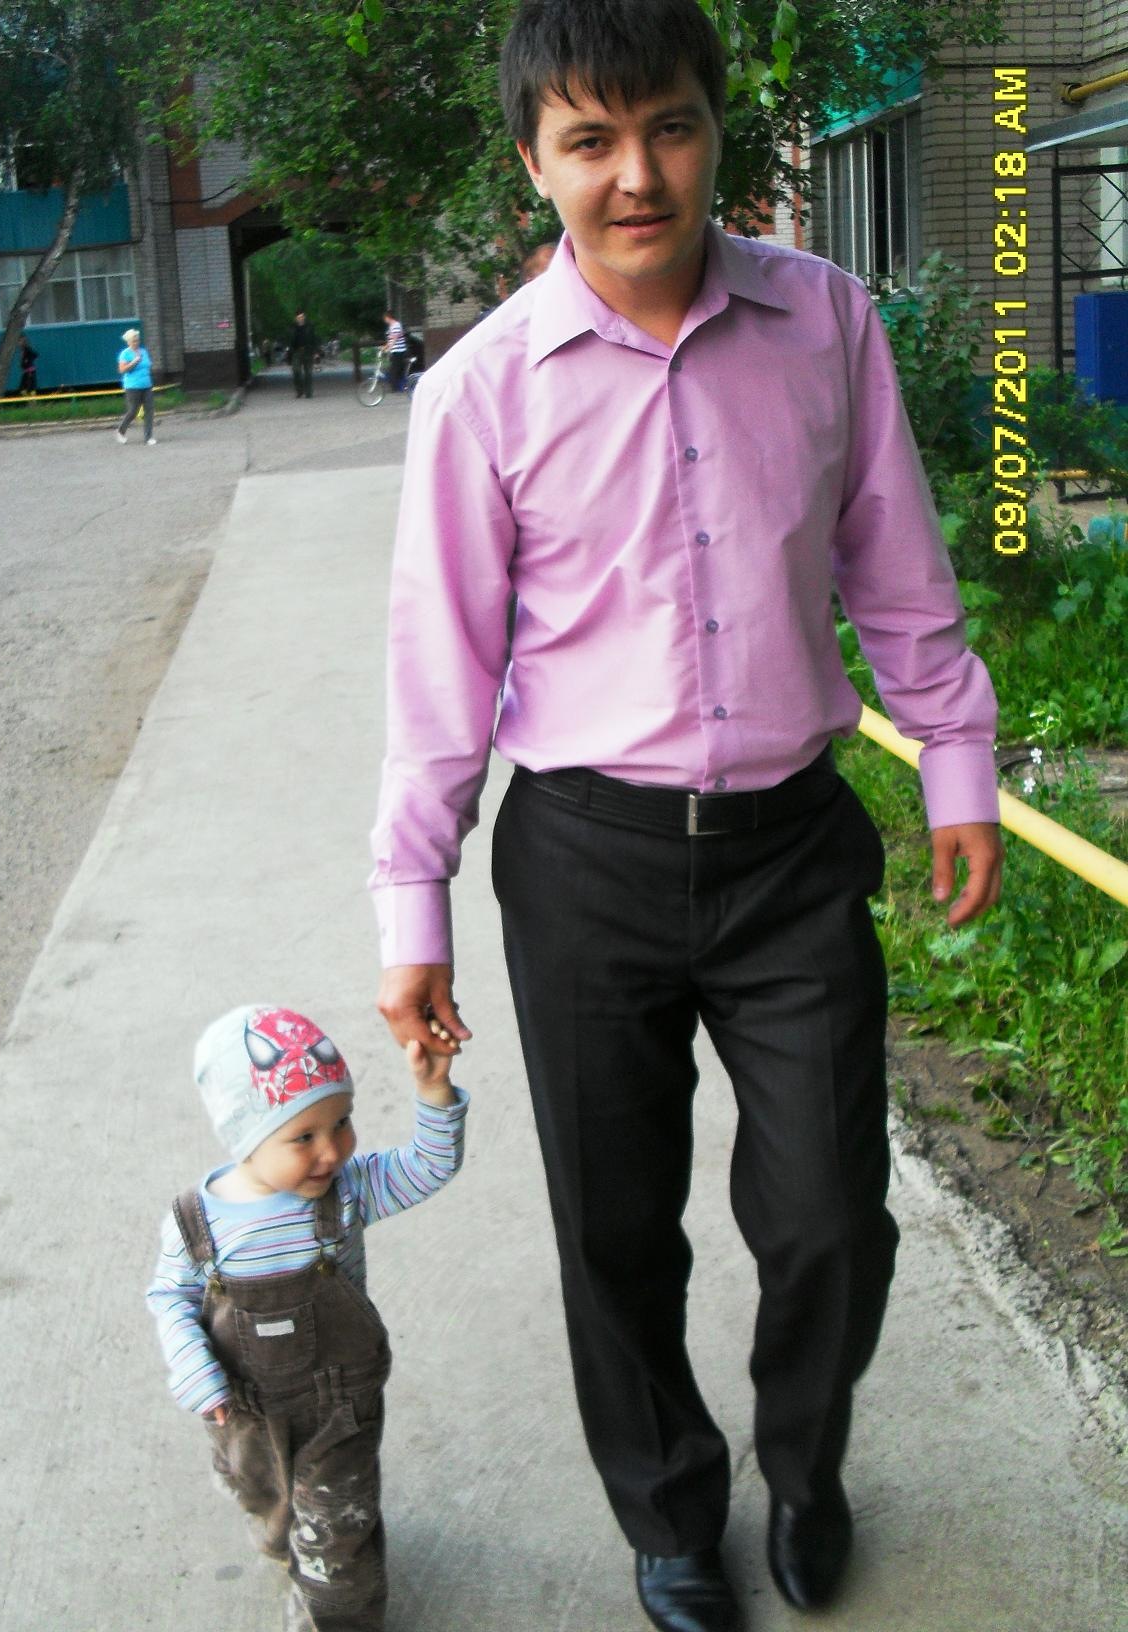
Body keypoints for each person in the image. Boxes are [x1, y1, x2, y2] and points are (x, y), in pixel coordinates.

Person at [369, 3, 1003, 1630]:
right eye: (588, 140)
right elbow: (439, 680)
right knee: (614, 1228)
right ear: (535, 162)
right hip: (585, 863)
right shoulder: (480, 393)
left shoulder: (825, 322)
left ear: (718, 128)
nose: (635, 175)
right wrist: (411, 909)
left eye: (666, 126)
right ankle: (665, 1508)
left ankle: (804, 1466)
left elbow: (899, 574)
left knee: (827, 1219)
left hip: (791, 852)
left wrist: (954, 763)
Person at [146, 1004, 467, 1632]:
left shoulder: (349, 1191)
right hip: (241, 1411)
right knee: (268, 1509)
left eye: (341, 1122)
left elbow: (430, 1166)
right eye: (304, 1137)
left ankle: (335, 1612)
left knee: (335, 1538)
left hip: (337, 1405)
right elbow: (170, 1297)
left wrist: (434, 1090)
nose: (332, 1150)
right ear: (244, 1138)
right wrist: (192, 1366)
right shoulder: (195, 1223)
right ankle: (286, 1544)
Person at [115, 328, 156, 445]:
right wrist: (134, 362)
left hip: (146, 385)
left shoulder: (143, 351)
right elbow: (122, 370)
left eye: (137, 340)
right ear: (128, 342)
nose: (136, 343)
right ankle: (120, 431)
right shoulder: (125, 354)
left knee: (149, 410)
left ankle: (148, 437)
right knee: (133, 411)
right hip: (132, 386)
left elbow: (148, 364)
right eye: (133, 341)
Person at [289, 310, 318, 399]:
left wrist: (316, 352)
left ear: (304, 317)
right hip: (296, 352)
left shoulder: (309, 327)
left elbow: (314, 339)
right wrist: (290, 350)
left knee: (308, 372)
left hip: (308, 351)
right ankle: (299, 390)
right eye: (299, 317)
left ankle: (308, 392)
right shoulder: (292, 328)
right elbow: (290, 339)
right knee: (296, 371)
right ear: (296, 318)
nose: (300, 319)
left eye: (302, 317)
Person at [380, 310, 408, 392]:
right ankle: (397, 387)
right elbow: (390, 340)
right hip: (395, 351)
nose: (385, 320)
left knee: (394, 370)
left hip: (399, 351)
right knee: (393, 369)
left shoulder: (396, 325)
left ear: (388, 317)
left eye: (385, 318)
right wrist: (384, 348)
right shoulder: (392, 326)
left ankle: (395, 388)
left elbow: (394, 339)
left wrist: (388, 349)